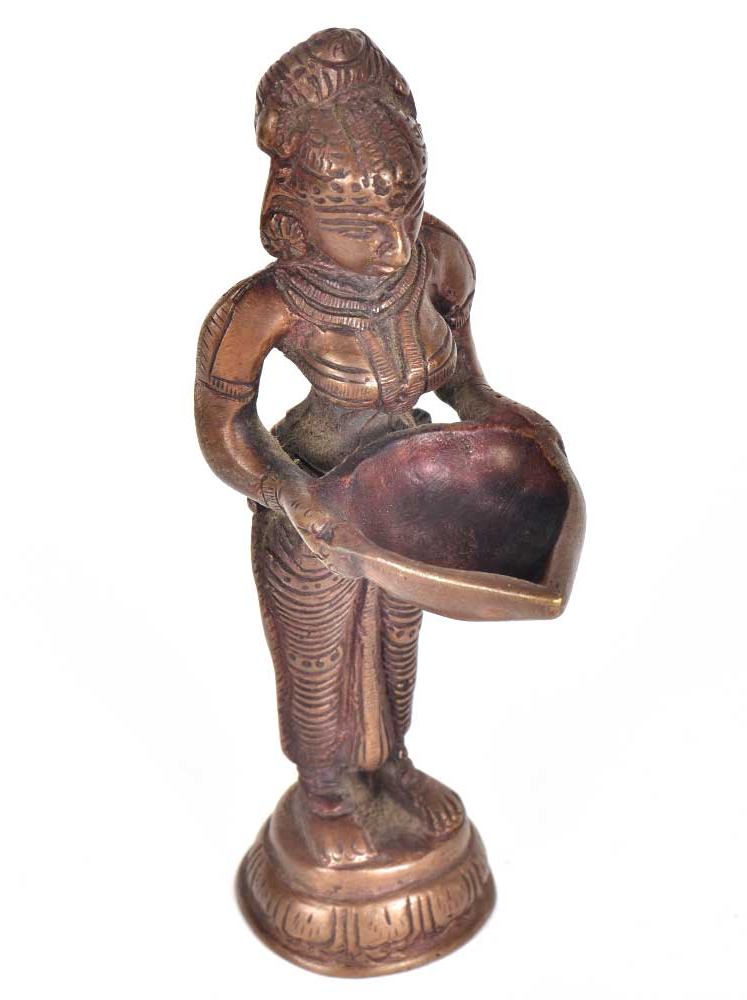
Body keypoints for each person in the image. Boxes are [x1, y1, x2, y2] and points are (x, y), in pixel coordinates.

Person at [195, 28, 561, 865]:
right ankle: (326, 794)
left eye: (406, 207)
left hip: (417, 487)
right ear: (292, 217)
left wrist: (506, 416)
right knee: (318, 658)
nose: (394, 243)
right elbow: (223, 430)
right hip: (312, 500)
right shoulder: (264, 309)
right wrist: (289, 493)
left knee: (396, 644)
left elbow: (463, 381)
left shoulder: (438, 260)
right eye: (359, 226)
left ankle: (392, 767)